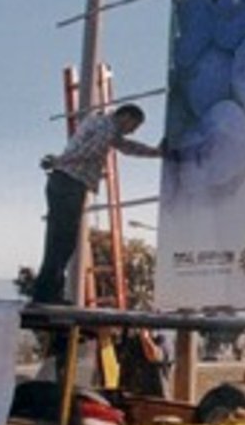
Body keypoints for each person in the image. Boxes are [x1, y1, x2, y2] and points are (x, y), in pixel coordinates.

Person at [30, 104, 163, 304]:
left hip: (63, 181)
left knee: (58, 240)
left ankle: (47, 292)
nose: (133, 131)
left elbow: (127, 147)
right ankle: (47, 294)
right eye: (134, 125)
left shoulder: (100, 122)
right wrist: (60, 161)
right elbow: (90, 150)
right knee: (63, 241)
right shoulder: (107, 128)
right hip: (70, 182)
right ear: (126, 117)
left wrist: (155, 152)